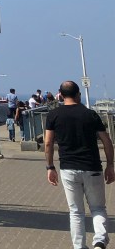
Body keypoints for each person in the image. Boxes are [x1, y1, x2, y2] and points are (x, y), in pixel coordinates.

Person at [45, 80, 115, 249]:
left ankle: (79, 246)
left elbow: (48, 143)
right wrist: (110, 165)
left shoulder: (53, 115)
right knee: (98, 208)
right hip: (92, 167)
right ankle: (99, 241)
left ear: (60, 95)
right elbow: (107, 141)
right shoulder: (91, 115)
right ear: (79, 95)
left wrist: (50, 167)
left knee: (76, 212)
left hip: (68, 168)